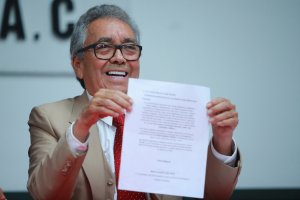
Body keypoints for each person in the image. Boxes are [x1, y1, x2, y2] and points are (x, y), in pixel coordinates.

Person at [27, 4, 241, 200]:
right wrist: (82, 125)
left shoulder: (167, 113)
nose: (120, 58)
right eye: (104, 46)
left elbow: (215, 194)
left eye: (129, 48)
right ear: (78, 65)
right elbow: (45, 194)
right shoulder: (48, 117)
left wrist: (222, 141)